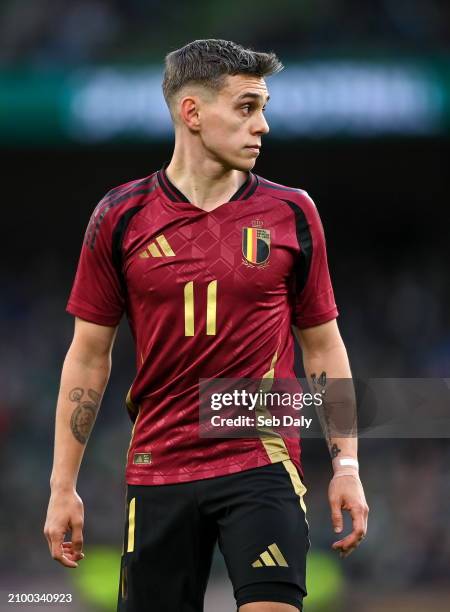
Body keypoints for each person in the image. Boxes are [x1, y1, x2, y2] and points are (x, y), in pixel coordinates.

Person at [44, 39, 369, 612]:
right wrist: (61, 486)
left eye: (263, 108)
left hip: (259, 459)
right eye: (246, 107)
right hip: (157, 467)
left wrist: (347, 465)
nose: (263, 125)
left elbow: (323, 347)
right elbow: (89, 356)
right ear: (192, 113)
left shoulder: (292, 212)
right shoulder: (120, 216)